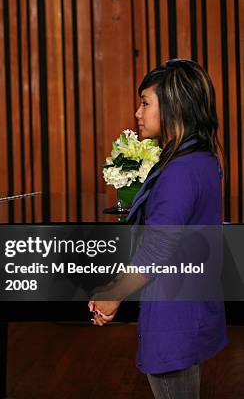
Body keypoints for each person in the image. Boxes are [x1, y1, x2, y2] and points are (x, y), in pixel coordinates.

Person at [89, 59, 228, 398]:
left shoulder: (179, 171)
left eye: (145, 102)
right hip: (191, 304)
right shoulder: (202, 158)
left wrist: (113, 295)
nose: (138, 113)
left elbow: (157, 251)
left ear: (173, 106)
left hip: (174, 316)